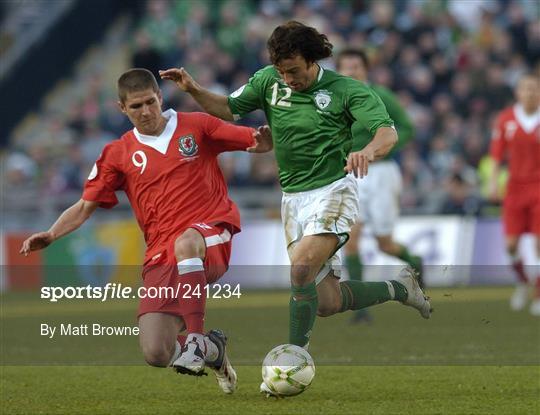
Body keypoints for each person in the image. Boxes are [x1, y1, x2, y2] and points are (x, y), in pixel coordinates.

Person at [159, 21, 432, 396]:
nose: (288, 79)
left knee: (301, 268)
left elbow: (388, 132)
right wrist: (193, 89)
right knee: (326, 302)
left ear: (313, 60)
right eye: (283, 70)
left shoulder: (345, 90)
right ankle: (400, 288)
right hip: (293, 201)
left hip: (334, 191)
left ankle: (292, 359)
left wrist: (367, 151)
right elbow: (228, 108)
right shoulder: (267, 81)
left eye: (295, 71)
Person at [20, 68, 272, 393]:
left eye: (150, 102)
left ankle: (196, 338)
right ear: (122, 108)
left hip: (209, 233)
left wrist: (261, 143)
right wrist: (52, 234)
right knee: (156, 351)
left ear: (160, 97)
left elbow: (251, 141)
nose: (145, 111)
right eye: (136, 106)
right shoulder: (117, 154)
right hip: (161, 252)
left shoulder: (197, 125)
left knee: (187, 242)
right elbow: (84, 206)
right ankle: (213, 351)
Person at [336, 49, 423, 324]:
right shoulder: (333, 101)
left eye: (356, 66)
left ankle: (417, 265)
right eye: (346, 67)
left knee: (384, 244)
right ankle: (360, 309)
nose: (351, 71)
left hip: (382, 172)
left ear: (365, 69)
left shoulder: (382, 96)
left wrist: (382, 150)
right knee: (351, 238)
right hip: (351, 174)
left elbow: (406, 128)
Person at [489, 73, 540, 316]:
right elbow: (497, 155)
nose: (530, 93)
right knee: (510, 245)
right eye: (526, 89)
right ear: (518, 93)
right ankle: (522, 281)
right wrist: (491, 182)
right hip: (515, 189)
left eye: (534, 89)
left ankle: (538, 293)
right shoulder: (506, 119)